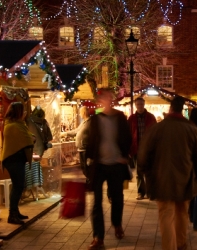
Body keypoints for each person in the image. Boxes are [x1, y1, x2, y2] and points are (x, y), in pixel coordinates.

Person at [137, 97, 197, 250]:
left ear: (170, 109)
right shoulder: (192, 129)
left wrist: (144, 173)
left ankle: (170, 247)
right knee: (182, 213)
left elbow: (143, 154)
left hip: (161, 180)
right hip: (185, 179)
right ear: (182, 109)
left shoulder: (157, 128)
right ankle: (181, 244)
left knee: (166, 215)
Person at [84, 89, 132, 249]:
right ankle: (98, 237)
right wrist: (89, 160)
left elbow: (127, 137)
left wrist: (124, 155)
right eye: (102, 98)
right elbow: (91, 140)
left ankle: (117, 224)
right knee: (96, 202)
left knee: (117, 198)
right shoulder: (96, 119)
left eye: (107, 97)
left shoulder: (120, 117)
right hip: (100, 165)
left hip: (116, 164)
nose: (105, 100)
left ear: (111, 99)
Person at [1, 102, 34, 225]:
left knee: (19, 185)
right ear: (18, 112)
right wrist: (31, 139)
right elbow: (27, 140)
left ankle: (15, 211)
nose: (25, 113)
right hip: (13, 160)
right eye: (23, 110)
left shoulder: (18, 125)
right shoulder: (13, 126)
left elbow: (27, 138)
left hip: (17, 159)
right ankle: (12, 215)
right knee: (18, 186)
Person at [127, 97, 157, 200]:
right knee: (139, 172)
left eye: (141, 104)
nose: (140, 106)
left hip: (148, 149)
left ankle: (150, 192)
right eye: (138, 104)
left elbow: (155, 132)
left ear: (144, 105)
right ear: (136, 105)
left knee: (149, 172)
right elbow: (128, 134)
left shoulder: (150, 117)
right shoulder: (131, 119)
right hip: (136, 149)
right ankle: (141, 192)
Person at [61, 107, 93, 178]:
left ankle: (90, 181)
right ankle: (89, 180)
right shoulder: (84, 122)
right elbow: (76, 131)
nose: (79, 114)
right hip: (81, 148)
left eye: (80, 112)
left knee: (86, 167)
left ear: (84, 113)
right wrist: (65, 134)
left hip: (85, 148)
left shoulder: (90, 122)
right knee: (83, 167)